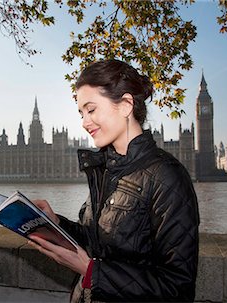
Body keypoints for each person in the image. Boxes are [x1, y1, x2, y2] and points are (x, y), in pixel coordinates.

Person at [29, 59, 200, 302]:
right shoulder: (105, 170)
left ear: (126, 105)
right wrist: (56, 223)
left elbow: (178, 289)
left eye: (91, 109)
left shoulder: (168, 176)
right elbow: (97, 241)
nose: (84, 122)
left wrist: (91, 272)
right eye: (81, 113)